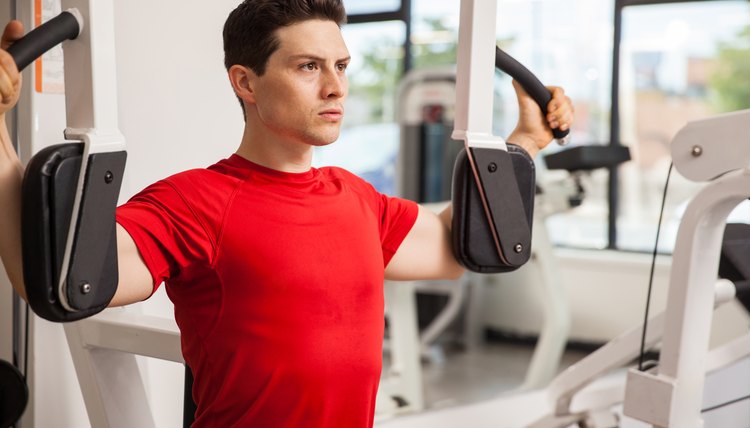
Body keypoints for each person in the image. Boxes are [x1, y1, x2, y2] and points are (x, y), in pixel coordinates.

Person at [0, 0, 574, 427]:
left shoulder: (356, 198)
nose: (335, 88)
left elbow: (459, 246)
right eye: (308, 67)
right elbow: (54, 277)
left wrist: (526, 139)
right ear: (245, 82)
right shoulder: (195, 202)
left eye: (342, 66)